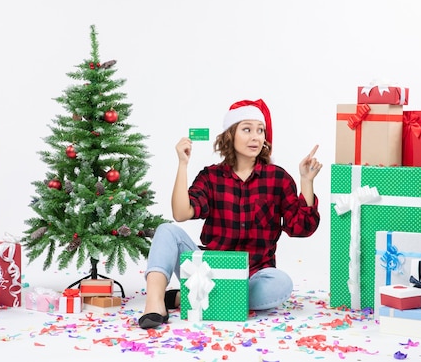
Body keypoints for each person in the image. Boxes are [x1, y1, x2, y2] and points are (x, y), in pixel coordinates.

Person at [138, 98, 322, 329]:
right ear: (230, 134)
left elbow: (301, 228)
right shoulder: (211, 176)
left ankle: (186, 298)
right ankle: (155, 303)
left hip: (254, 276)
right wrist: (182, 164)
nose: (256, 137)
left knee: (280, 284)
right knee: (166, 231)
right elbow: (181, 212)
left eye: (260, 130)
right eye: (247, 129)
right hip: (208, 272)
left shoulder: (278, 178)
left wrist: (306, 181)